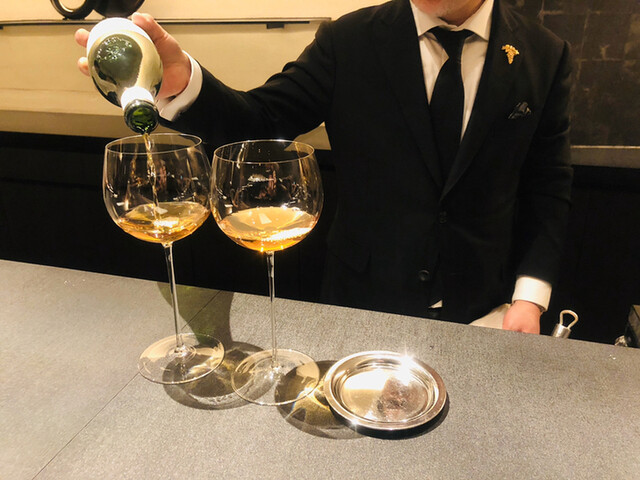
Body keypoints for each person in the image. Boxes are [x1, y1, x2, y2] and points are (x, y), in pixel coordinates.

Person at [76, 0, 573, 333]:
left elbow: (546, 184)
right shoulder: (349, 41)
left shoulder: (546, 54)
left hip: (488, 311)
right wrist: (183, 82)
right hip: (362, 305)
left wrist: (530, 297)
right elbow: (261, 121)